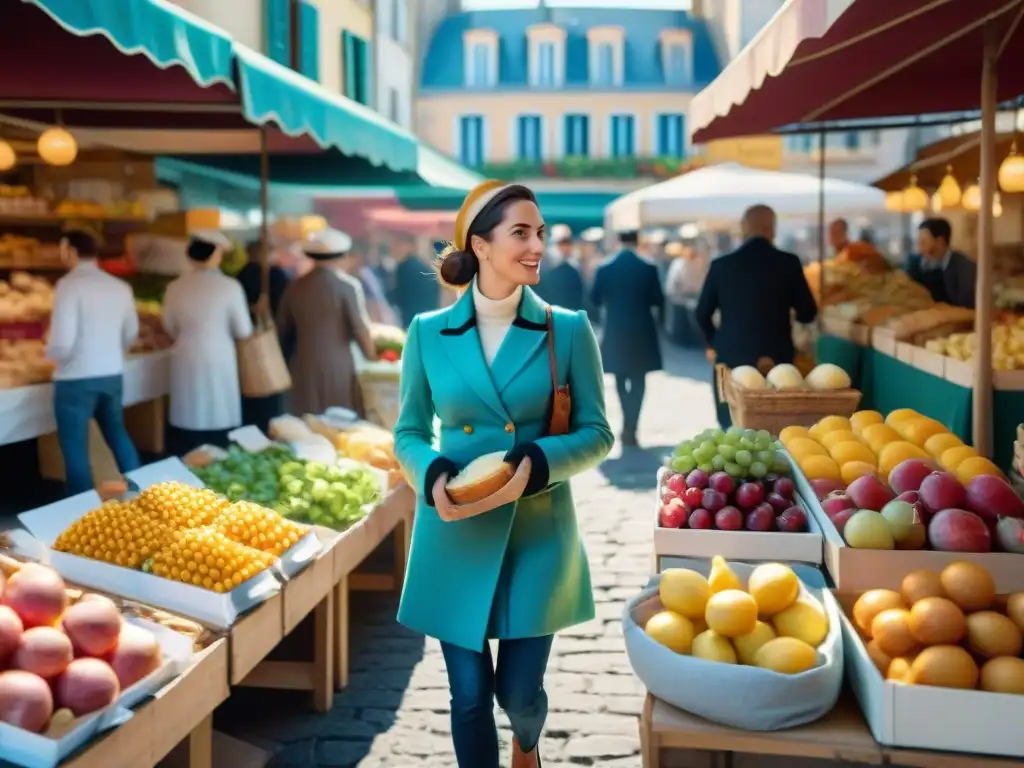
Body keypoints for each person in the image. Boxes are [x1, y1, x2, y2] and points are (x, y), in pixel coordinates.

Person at [393, 180, 613, 768]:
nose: (537, 244)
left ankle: (528, 743)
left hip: (537, 531)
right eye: (521, 232)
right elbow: (408, 433)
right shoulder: (426, 332)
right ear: (480, 244)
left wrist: (539, 462)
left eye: (539, 232)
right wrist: (432, 472)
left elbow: (598, 433)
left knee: (518, 695)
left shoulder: (566, 329)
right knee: (468, 699)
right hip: (454, 529)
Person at [696, 205, 818, 428]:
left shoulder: (721, 265)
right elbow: (808, 312)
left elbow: (702, 312)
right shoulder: (788, 263)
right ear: (771, 228)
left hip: (730, 357)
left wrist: (717, 342)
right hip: (777, 358)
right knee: (775, 425)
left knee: (731, 425)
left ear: (744, 228)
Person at [46, 228, 141, 494]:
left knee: (76, 448)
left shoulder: (69, 285)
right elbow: (131, 332)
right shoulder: (119, 287)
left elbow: (62, 341)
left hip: (75, 379)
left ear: (70, 250)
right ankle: (140, 492)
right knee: (117, 434)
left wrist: (52, 356)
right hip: (112, 374)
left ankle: (81, 511)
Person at [162, 231, 254, 455]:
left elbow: (169, 326)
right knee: (219, 413)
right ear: (216, 255)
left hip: (185, 354)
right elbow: (244, 330)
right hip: (219, 355)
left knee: (188, 414)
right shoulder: (230, 287)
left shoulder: (174, 287)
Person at [276, 228, 378, 415]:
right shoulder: (348, 286)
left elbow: (282, 329)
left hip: (302, 365)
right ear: (342, 256)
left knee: (308, 422)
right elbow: (360, 329)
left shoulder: (294, 287)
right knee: (339, 423)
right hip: (339, 367)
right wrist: (373, 357)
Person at [590, 230, 664, 447]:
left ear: (617, 242)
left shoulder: (605, 268)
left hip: (615, 330)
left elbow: (594, 298)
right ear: (637, 242)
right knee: (639, 379)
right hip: (642, 331)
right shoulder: (648, 268)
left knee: (621, 379)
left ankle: (626, 423)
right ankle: (632, 425)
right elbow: (658, 299)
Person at [236, 241, 291, 434]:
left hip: (243, 344)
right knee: (270, 389)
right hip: (270, 341)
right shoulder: (275, 276)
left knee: (249, 390)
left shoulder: (239, 276)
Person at [904, 218, 977, 308]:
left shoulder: (964, 268)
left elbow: (967, 305)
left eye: (923, 241)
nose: (919, 247)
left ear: (940, 241)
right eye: (918, 241)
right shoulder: (914, 264)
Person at [534, 223, 585, 311]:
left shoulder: (574, 270)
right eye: (561, 244)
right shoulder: (541, 268)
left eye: (568, 243)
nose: (565, 248)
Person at [393, 244, 440, 328]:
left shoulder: (404, 267)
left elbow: (400, 294)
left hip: (410, 315)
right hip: (428, 315)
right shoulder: (426, 267)